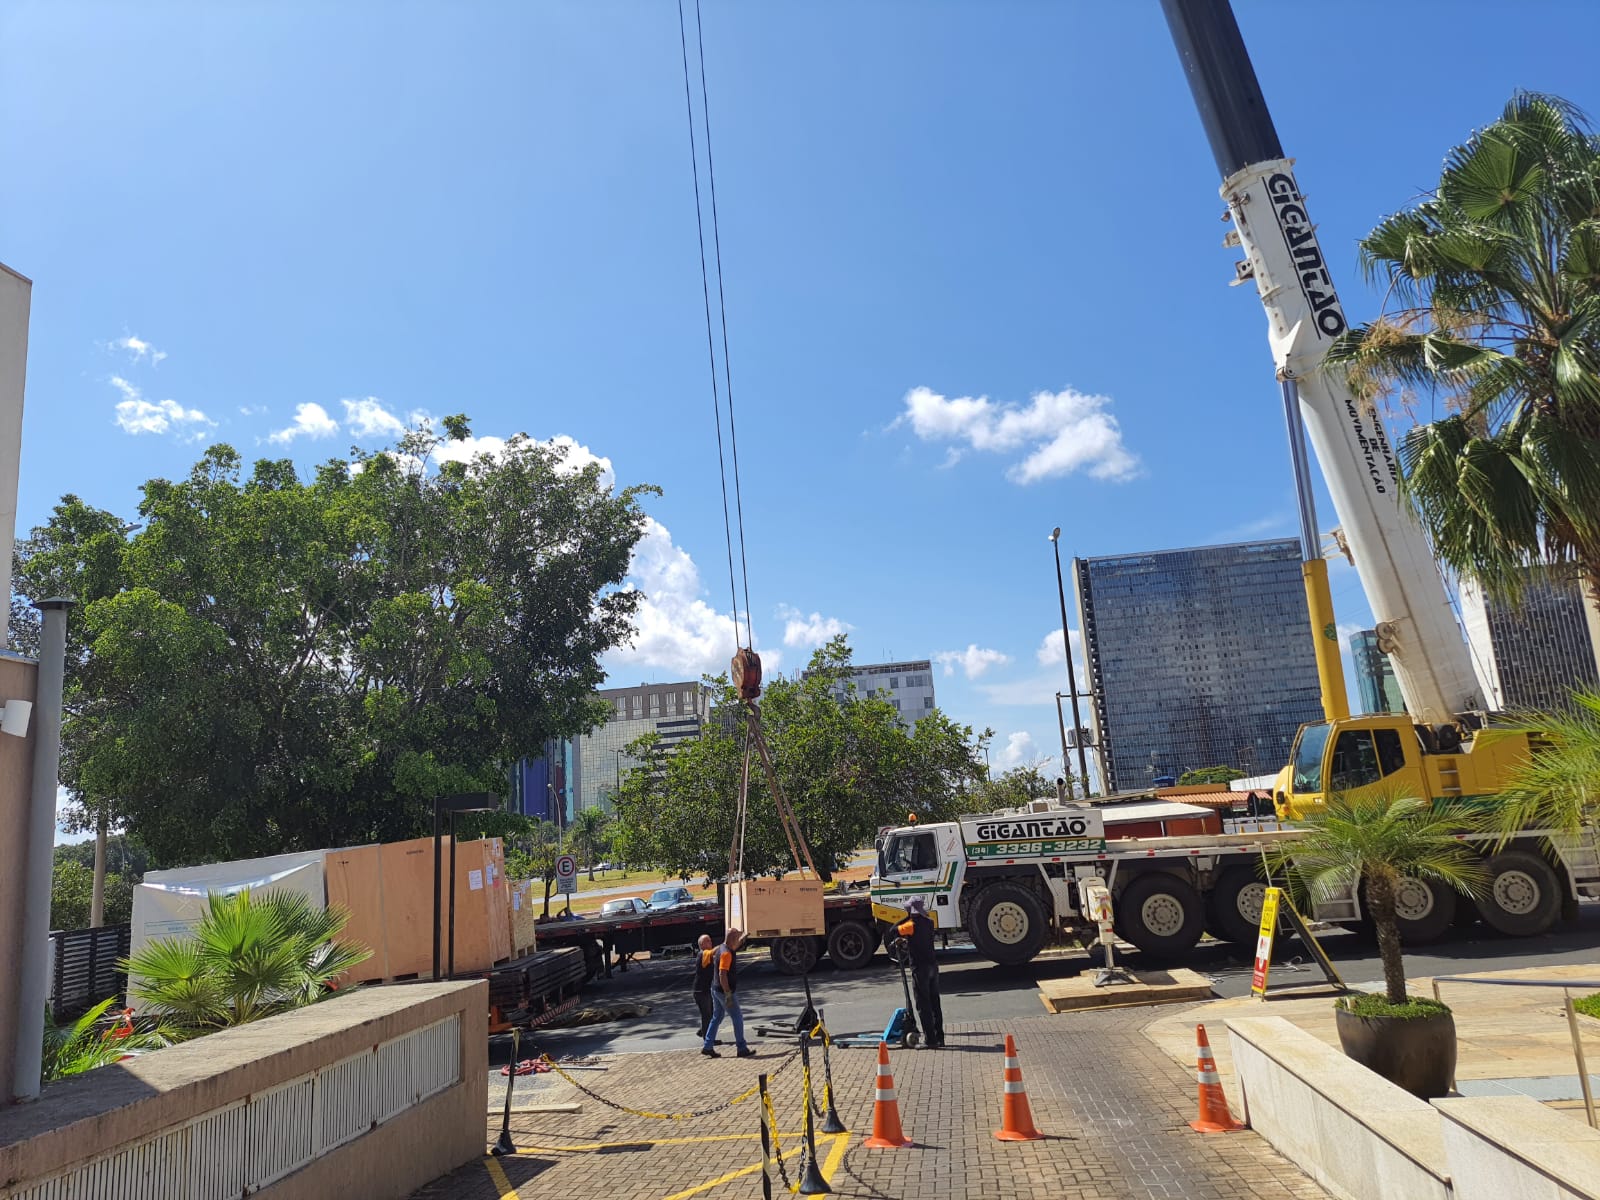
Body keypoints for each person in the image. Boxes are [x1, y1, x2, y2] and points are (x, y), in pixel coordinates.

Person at [896, 898, 945, 1048]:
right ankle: (939, 1037)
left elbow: (894, 930)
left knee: (923, 1004)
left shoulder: (910, 925)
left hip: (920, 969)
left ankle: (930, 1040)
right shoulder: (929, 923)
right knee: (935, 1002)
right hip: (932, 966)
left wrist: (906, 917)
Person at [701, 928, 757, 1058]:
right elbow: (722, 974)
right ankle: (741, 1048)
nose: (738, 940)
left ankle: (707, 1046)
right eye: (737, 937)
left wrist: (744, 937)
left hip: (715, 989)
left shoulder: (722, 947)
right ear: (732, 938)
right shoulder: (726, 954)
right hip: (723, 991)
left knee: (717, 1016)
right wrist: (728, 994)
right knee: (737, 1017)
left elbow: (735, 945)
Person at [692, 934, 716, 1040]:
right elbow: (712, 952)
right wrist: (725, 945)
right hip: (700, 991)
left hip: (706, 990)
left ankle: (703, 1031)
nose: (710, 942)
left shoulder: (706, 955)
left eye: (710, 940)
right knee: (707, 1015)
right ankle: (708, 1039)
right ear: (701, 944)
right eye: (707, 941)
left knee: (711, 1013)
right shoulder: (703, 954)